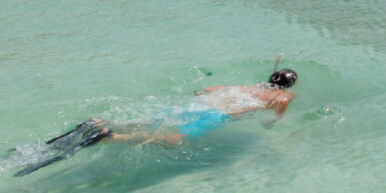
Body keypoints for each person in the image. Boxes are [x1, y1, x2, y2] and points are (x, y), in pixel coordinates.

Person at [95, 68, 298, 147]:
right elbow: (281, 102)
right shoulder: (284, 95)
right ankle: (113, 137)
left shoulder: (250, 88)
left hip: (202, 103)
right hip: (216, 114)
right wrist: (276, 119)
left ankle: (108, 123)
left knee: (158, 120)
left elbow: (209, 88)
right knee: (176, 139)